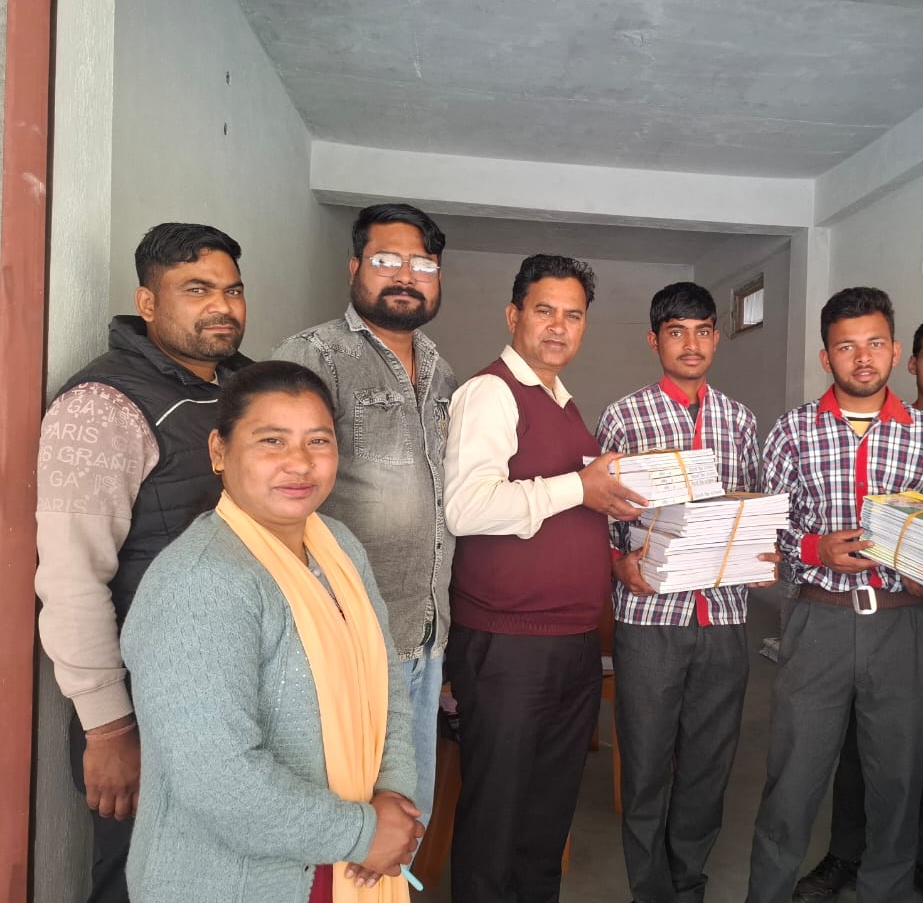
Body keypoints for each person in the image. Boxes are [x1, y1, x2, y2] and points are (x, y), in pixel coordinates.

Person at [120, 361, 424, 902]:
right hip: (235, 882)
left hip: (348, 865)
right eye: (272, 441)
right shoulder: (202, 582)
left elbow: (387, 691)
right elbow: (219, 778)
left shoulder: (338, 545)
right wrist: (363, 833)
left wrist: (392, 802)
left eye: (318, 441)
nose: (300, 463)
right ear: (219, 451)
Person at [33, 222, 251, 902]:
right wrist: (108, 727)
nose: (222, 306)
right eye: (197, 290)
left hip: (233, 692)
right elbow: (72, 578)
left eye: (232, 290)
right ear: (148, 303)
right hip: (149, 705)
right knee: (144, 881)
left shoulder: (242, 389)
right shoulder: (103, 406)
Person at [443, 254, 646, 902]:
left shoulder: (563, 402)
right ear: (514, 316)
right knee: (497, 817)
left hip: (571, 641)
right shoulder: (492, 392)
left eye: (573, 315)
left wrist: (604, 510)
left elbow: (562, 508)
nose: (559, 327)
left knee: (545, 818)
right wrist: (578, 487)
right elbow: (466, 507)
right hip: (510, 645)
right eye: (544, 311)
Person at [746, 287, 923, 903]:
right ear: (825, 356)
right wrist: (815, 550)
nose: (862, 358)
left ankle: (885, 891)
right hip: (820, 621)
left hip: (904, 626)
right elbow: (766, 529)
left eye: (874, 344)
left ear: (894, 350)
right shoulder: (792, 432)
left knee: (898, 780)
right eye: (846, 346)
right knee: (793, 777)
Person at [272, 203, 455, 828]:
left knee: (405, 821)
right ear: (354, 267)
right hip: (343, 642)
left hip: (423, 637)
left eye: (422, 264)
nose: (405, 275)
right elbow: (271, 495)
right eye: (386, 259)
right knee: (345, 826)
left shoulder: (441, 372)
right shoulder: (314, 355)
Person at [597, 281, 773, 903]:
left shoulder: (740, 420)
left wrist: (761, 551)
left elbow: (751, 504)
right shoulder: (624, 417)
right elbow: (602, 516)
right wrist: (617, 564)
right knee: (645, 764)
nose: (691, 344)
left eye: (702, 331)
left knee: (708, 764)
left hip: (723, 617)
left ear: (716, 338)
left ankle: (688, 883)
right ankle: (650, 890)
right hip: (650, 615)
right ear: (655, 341)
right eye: (677, 332)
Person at [797, 315, 923, 903]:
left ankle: (922, 863)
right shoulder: (886, 428)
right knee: (860, 742)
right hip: (885, 608)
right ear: (912, 361)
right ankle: (846, 854)